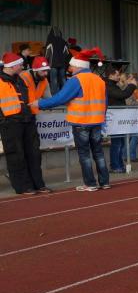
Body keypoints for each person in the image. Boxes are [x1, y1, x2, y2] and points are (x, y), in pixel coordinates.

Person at [34, 48, 110, 191]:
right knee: (98, 152)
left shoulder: (76, 80)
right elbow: (105, 102)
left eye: (71, 66)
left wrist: (39, 103)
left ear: (78, 66)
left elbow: (60, 98)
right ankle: (104, 182)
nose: (69, 68)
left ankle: (90, 184)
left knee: (84, 154)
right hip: (97, 122)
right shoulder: (99, 80)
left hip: (81, 122)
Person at [0, 52, 50, 194]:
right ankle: (23, 186)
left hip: (28, 120)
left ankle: (38, 184)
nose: (23, 67)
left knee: (34, 153)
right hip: (10, 123)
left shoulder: (20, 79)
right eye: (20, 65)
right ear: (12, 66)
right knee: (16, 155)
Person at [105, 66, 138, 174]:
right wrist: (132, 85)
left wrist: (128, 84)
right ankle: (115, 166)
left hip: (118, 118)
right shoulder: (108, 86)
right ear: (111, 75)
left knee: (120, 143)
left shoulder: (112, 85)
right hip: (115, 118)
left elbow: (121, 93)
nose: (118, 77)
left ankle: (118, 165)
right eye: (117, 75)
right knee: (117, 143)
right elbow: (122, 95)